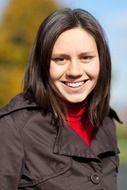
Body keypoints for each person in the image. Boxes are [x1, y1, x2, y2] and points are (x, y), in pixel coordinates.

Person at [0, 8, 122, 189]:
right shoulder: (12, 127)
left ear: (101, 61)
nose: (74, 71)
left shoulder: (106, 121)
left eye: (86, 58)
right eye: (60, 59)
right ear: (42, 63)